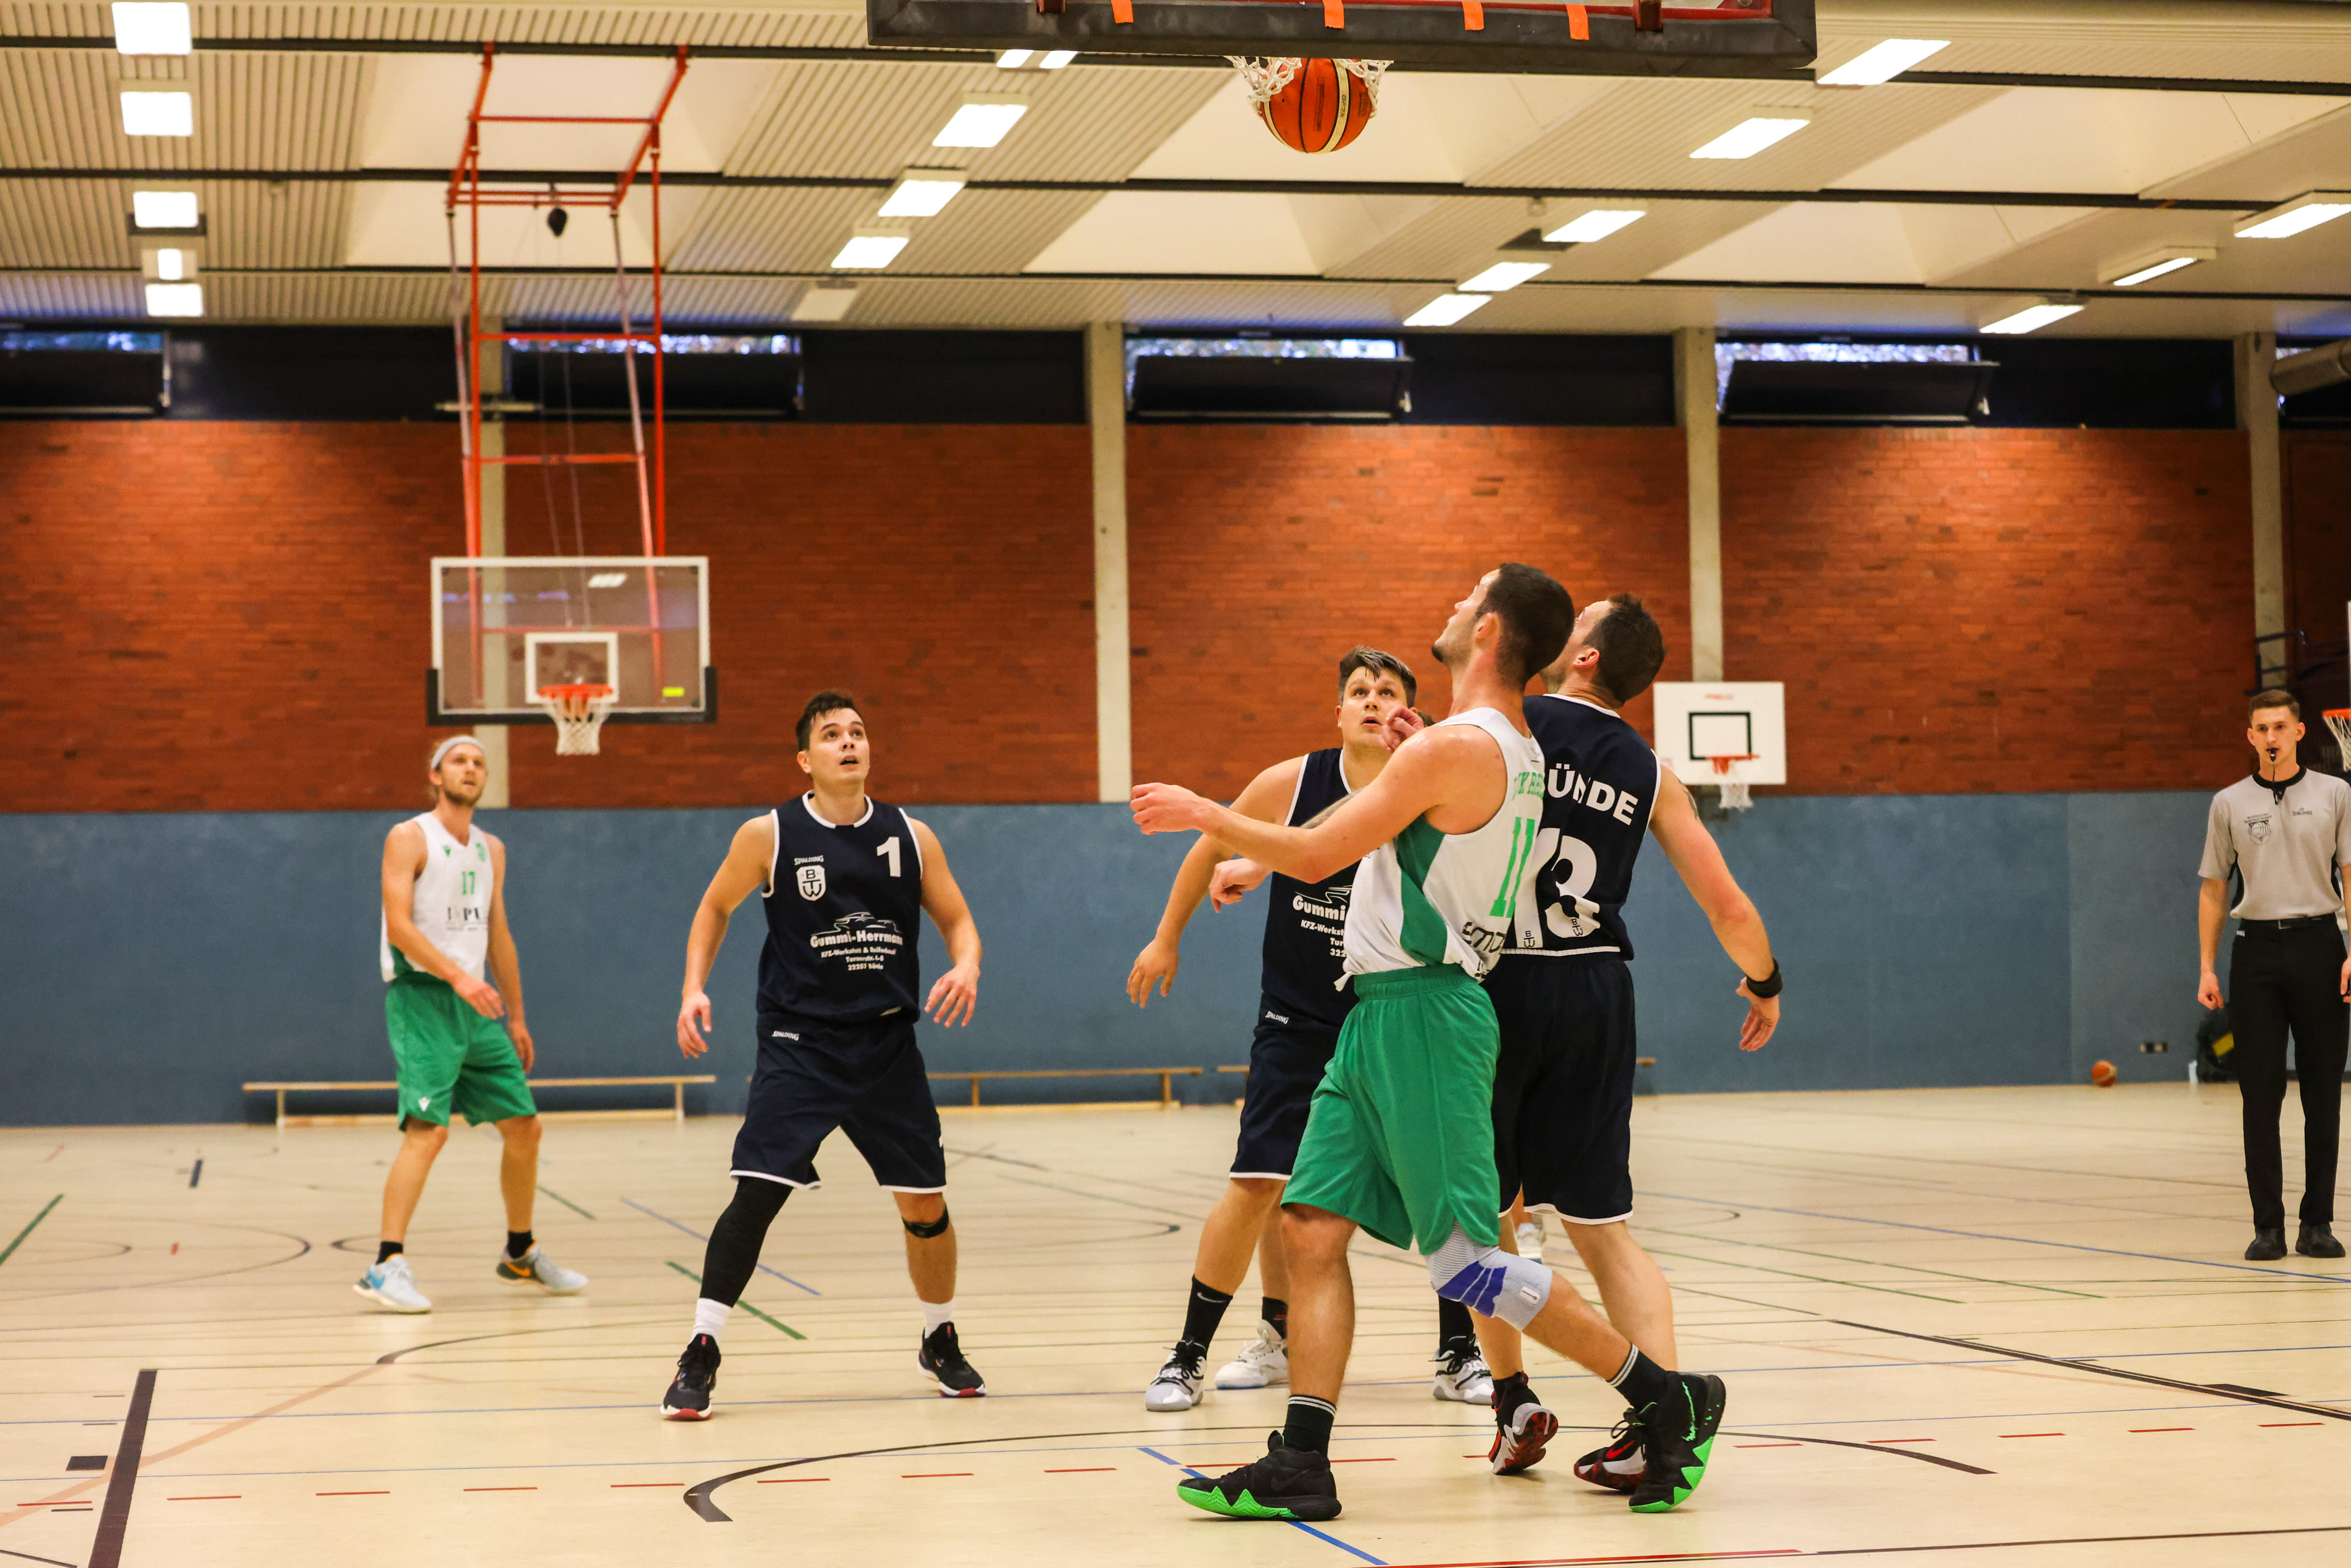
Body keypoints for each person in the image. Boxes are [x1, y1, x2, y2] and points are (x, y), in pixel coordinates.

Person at [1135, 565, 1727, 1524]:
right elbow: (1394, 830)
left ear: (1487, 629)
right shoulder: (1489, 742)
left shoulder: (1461, 745)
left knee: (1467, 1264)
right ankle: (1302, 1457)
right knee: (1308, 1227)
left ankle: (1665, 1394)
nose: (1452, 604)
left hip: (1426, 1010)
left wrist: (1209, 816)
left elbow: (1320, 853)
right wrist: (1262, 848)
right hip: (1373, 1012)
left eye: (1469, 595)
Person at [1129, 649, 1493, 1412]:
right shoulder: (1290, 783)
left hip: (1396, 1008)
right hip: (1298, 1017)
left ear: (1408, 710)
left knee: (1435, 1185)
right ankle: (1199, 1350)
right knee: (1261, 1181)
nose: (1371, 700)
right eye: (1358, 691)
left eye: (1386, 690)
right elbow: (1215, 846)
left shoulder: (1434, 779)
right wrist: (1166, 937)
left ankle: (1459, 1350)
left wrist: (1259, 866)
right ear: (1337, 712)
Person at [1473, 594, 1780, 1490]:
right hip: (1596, 984)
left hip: (1498, 980)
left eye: (1577, 624)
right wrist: (1765, 982)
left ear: (1587, 657)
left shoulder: (1508, 720)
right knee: (1602, 1228)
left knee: (1480, 1218)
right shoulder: (1650, 771)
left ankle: (1512, 1400)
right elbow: (1728, 905)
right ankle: (1661, 1426)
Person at [660, 692, 985, 1418]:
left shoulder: (912, 836)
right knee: (756, 1192)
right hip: (799, 1045)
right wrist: (692, 988)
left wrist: (966, 963)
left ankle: (939, 1335)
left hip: (886, 1046)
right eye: (832, 734)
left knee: (925, 1203)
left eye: (858, 732)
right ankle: (702, 1348)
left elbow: (958, 918)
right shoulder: (768, 834)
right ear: (805, 759)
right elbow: (714, 907)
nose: (849, 743)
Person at [356, 737, 587, 1314]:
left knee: (524, 1127)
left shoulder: (491, 848)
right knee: (428, 1131)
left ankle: (520, 1251)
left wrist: (518, 1015)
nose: (471, 768)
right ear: (435, 775)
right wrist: (459, 978)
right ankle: (385, 1264)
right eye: (459, 760)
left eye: (479, 763)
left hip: (478, 1005)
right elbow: (399, 925)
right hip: (424, 998)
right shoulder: (409, 836)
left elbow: (497, 933)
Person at [2197, 689, 2351, 1262]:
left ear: (2297, 732)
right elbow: (2213, 888)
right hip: (2255, 952)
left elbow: (2349, 873)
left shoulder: (2334, 794)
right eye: (2260, 728)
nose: (2270, 737)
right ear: (2249, 736)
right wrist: (2206, 965)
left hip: (2319, 946)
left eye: (2279, 727)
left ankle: (2317, 1223)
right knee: (2258, 1095)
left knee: (2322, 1093)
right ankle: (2267, 1227)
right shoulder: (2228, 803)